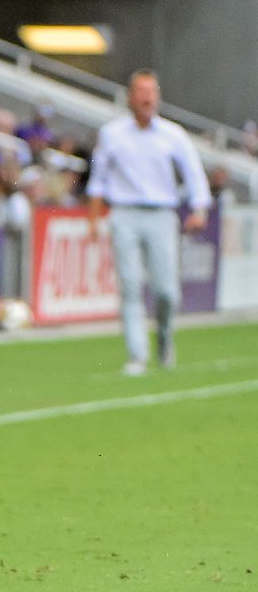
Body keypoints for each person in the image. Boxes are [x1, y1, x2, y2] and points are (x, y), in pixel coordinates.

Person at [87, 69, 211, 376]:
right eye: (141, 91)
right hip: (124, 213)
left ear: (158, 97)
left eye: (151, 91)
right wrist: (93, 218)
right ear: (130, 97)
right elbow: (98, 179)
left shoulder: (172, 134)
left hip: (161, 214)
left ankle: (165, 338)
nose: (147, 97)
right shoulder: (112, 133)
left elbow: (194, 173)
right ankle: (137, 354)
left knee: (166, 290)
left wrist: (199, 209)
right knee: (129, 285)